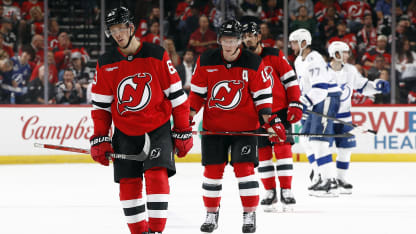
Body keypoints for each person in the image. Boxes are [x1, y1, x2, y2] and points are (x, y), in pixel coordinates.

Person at [90, 7, 193, 234]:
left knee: (156, 177)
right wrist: (100, 137)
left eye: (120, 28)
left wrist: (183, 129)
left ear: (131, 27)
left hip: (157, 129)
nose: (117, 34)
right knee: (128, 185)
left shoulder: (156, 55)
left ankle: (155, 231)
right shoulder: (106, 63)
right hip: (125, 132)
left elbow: (177, 97)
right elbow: (101, 108)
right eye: (113, 29)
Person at [189, 19, 286, 233]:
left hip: (245, 129)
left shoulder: (252, 61)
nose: (229, 44)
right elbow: (197, 94)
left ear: (240, 40)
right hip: (214, 128)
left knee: (245, 170)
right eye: (225, 39)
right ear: (219, 39)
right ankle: (211, 213)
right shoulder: (206, 60)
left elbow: (263, 98)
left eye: (233, 39)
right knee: (212, 172)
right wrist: (189, 115)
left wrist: (270, 121)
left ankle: (249, 214)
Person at [242, 22, 303, 212]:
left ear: (259, 36)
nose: (247, 39)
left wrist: (295, 102)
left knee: (283, 148)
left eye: (251, 35)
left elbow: (290, 80)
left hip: (279, 111)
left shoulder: (275, 55)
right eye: (244, 36)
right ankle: (270, 191)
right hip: (257, 114)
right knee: (263, 153)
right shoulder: (241, 59)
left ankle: (286, 190)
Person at [327, 41, 390, 194]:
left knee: (345, 149)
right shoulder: (322, 71)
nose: (348, 55)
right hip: (326, 118)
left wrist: (376, 86)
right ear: (336, 54)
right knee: (323, 150)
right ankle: (322, 178)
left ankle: (341, 179)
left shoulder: (350, 70)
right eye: (345, 52)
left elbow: (362, 86)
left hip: (345, 117)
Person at [289, 28, 341, 197]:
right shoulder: (298, 60)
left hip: (326, 98)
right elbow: (303, 86)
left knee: (319, 142)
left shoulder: (315, 58)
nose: (291, 46)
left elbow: (321, 89)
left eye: (294, 42)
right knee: (305, 138)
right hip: (314, 100)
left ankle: (330, 181)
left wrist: (304, 104)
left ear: (304, 42)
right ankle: (318, 174)